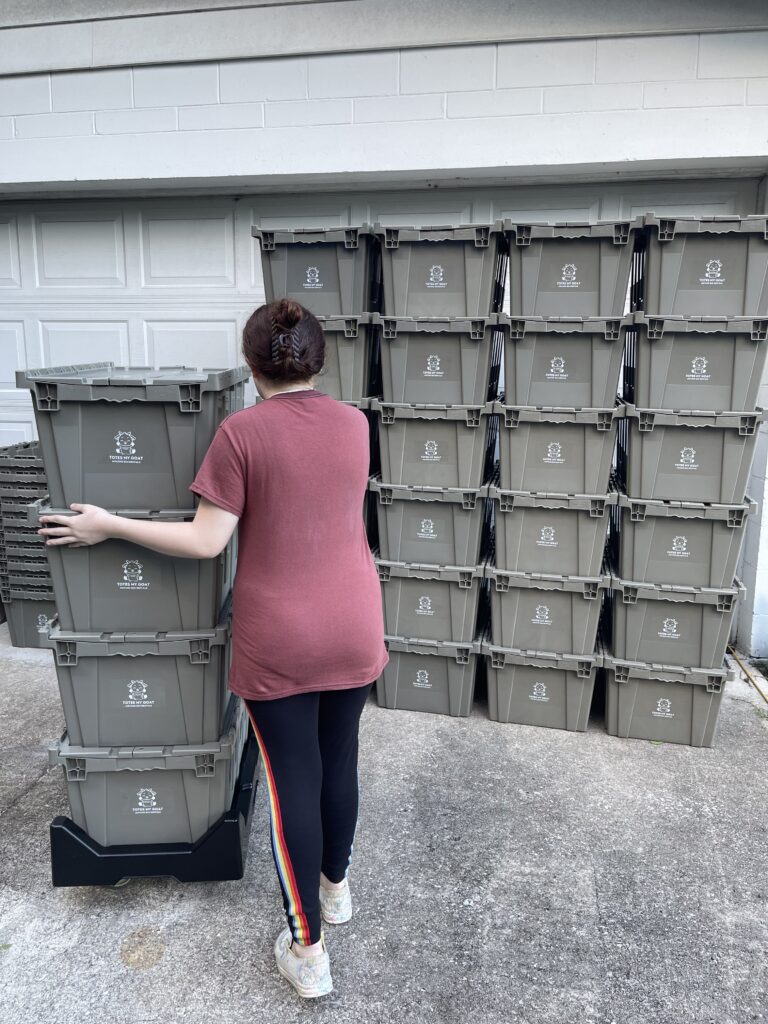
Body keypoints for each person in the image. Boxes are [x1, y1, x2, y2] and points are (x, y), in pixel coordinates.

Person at [39, 298, 388, 1000]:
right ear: (319, 359)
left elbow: (206, 541)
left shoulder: (241, 432)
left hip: (282, 639)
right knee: (337, 763)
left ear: (252, 364)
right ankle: (337, 891)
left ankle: (309, 951)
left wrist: (110, 525)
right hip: (355, 622)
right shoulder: (356, 425)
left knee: (296, 784)